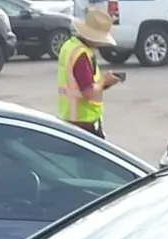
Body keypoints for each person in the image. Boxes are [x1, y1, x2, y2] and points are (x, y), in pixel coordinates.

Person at [58, 4, 123, 138]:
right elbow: (88, 92)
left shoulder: (69, 46)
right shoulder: (81, 55)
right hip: (84, 123)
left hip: (70, 118)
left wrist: (104, 84)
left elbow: (77, 84)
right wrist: (105, 80)